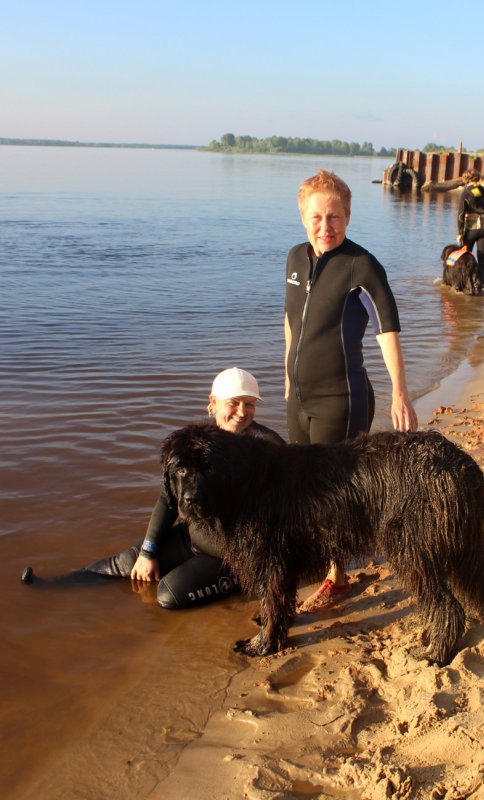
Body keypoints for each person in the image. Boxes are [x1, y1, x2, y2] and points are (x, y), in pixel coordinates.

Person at [21, 368, 285, 609]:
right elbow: (168, 499)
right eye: (233, 403)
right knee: (127, 564)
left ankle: (238, 580)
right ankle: (50, 585)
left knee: (167, 596)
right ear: (212, 403)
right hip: (192, 536)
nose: (241, 412)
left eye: (249, 404)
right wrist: (148, 552)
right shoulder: (191, 443)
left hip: (233, 554)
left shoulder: (268, 447)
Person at [284, 169, 417, 613]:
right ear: (303, 216)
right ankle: (329, 558)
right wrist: (287, 380)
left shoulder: (362, 266)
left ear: (348, 215)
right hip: (300, 398)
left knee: (332, 492)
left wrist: (400, 392)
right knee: (301, 486)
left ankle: (337, 577)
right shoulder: (294, 259)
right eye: (317, 217)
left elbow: (388, 330)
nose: (326, 227)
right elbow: (291, 324)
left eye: (335, 217)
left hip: (341, 398)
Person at [456, 168, 484, 285]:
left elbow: (460, 215)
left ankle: (465, 282)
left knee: (465, 257)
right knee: (482, 258)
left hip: (471, 229)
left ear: (466, 180)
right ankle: (481, 283)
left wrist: (460, 233)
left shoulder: (465, 192)